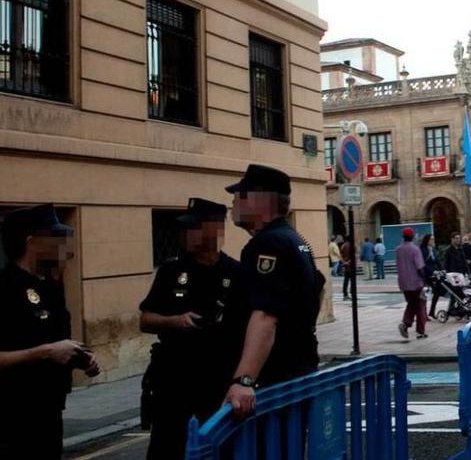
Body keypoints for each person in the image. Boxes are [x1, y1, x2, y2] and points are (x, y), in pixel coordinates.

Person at [0, 204, 100, 459]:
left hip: (45, 416)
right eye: (57, 240)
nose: (68, 252)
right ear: (32, 242)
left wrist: (79, 357)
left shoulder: (50, 289)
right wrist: (45, 353)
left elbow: (51, 342)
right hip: (3, 422)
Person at [139, 199, 247, 460]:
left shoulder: (236, 272)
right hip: (174, 378)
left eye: (193, 228)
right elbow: (145, 320)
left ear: (214, 229)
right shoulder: (171, 270)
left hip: (218, 378)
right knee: (167, 447)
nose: (185, 234)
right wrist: (176, 321)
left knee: (220, 447)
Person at [223, 165, 325, 420]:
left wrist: (245, 380)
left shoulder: (267, 244)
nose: (232, 203)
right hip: (297, 370)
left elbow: (266, 316)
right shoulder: (294, 239)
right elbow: (319, 285)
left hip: (274, 379)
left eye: (239, 196)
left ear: (258, 201)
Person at [396, 228, 427, 339]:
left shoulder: (398, 249)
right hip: (416, 282)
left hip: (404, 282)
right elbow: (419, 267)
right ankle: (417, 329)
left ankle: (408, 325)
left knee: (412, 304)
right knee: (420, 306)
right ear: (413, 236)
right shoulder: (415, 249)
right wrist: (425, 280)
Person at [421, 234, 445, 318]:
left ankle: (431, 311)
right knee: (424, 294)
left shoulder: (434, 250)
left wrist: (442, 269)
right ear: (427, 240)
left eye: (433, 239)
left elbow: (437, 261)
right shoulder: (423, 250)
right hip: (426, 274)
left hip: (434, 273)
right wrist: (432, 271)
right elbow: (423, 263)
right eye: (431, 239)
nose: (433, 241)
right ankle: (424, 314)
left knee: (437, 292)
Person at [340, 236, 355, 301]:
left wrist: (344, 262)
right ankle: (352, 294)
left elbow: (340, 255)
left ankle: (345, 295)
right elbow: (354, 255)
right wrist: (348, 262)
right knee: (352, 281)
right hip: (351, 265)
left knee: (346, 281)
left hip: (346, 266)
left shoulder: (343, 246)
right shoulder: (352, 246)